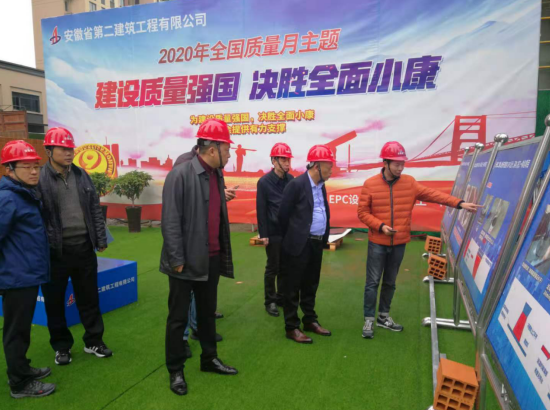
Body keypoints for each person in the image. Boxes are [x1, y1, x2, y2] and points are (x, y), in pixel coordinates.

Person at [357, 141, 482, 339]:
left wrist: (459, 203)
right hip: (377, 242)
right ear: (385, 163)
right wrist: (381, 227)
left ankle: (383, 316)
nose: (401, 167)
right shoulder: (370, 184)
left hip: (399, 243)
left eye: (402, 163)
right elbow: (362, 213)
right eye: (397, 164)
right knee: (372, 282)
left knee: (390, 282)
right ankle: (369, 319)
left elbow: (434, 195)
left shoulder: (410, 183)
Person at [161, 119, 238, 396]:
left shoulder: (217, 174)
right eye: (227, 149)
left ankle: (209, 359)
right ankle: (176, 370)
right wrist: (176, 259)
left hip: (211, 258)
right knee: (177, 318)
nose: (229, 154)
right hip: (184, 261)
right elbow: (170, 221)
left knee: (207, 314)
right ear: (212, 149)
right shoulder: (180, 175)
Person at [38, 127, 111, 365]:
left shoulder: (81, 175)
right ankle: (61, 347)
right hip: (54, 252)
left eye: (71, 148)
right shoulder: (39, 178)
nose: (69, 153)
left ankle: (94, 341)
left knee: (89, 298)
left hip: (84, 248)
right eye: (63, 149)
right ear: (49, 151)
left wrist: (100, 238)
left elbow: (94, 209)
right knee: (54, 303)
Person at [0, 141, 56, 398]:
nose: (34, 172)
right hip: (17, 277)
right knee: (17, 331)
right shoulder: (7, 198)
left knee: (22, 328)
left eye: (36, 166)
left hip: (27, 273)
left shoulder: (24, 193)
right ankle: (20, 383)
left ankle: (22, 368)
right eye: (26, 167)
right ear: (9, 169)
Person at [278, 144, 334, 344]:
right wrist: (294, 238)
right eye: (329, 166)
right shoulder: (296, 185)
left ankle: (310, 320)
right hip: (298, 244)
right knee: (293, 286)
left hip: (316, 244)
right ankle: (291, 327)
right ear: (317, 166)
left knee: (311, 284)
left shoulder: (321, 185)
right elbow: (283, 216)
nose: (332, 170)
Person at [256, 143, 294, 317]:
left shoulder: (291, 180)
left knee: (286, 267)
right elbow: (261, 209)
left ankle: (281, 297)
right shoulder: (264, 182)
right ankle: (270, 300)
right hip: (273, 231)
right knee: (273, 267)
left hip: (288, 231)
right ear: (274, 161)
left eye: (288, 159)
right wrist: (264, 234)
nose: (287, 163)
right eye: (283, 159)